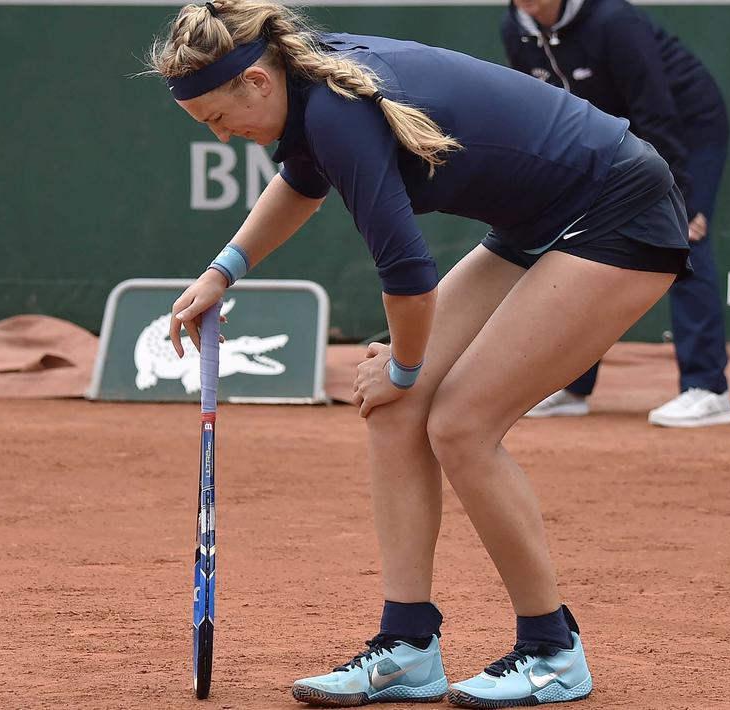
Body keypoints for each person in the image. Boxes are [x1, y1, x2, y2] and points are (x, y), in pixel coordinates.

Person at [151, 1, 690, 705]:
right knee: (394, 414)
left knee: (459, 424)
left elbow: (407, 274)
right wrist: (222, 271)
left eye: (219, 119)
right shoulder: (310, 86)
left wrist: (404, 367)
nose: (224, 137)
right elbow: (302, 182)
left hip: (616, 210)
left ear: (256, 82)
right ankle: (407, 646)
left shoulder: (334, 107)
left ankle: (552, 650)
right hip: (539, 221)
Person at [505, 0, 730, 428]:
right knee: (580, 248)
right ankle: (571, 385)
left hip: (684, 126)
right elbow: (537, 112)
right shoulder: (514, 29)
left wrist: (683, 196)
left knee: (684, 240)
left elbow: (656, 109)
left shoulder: (614, 21)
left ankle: (708, 388)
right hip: (607, 139)